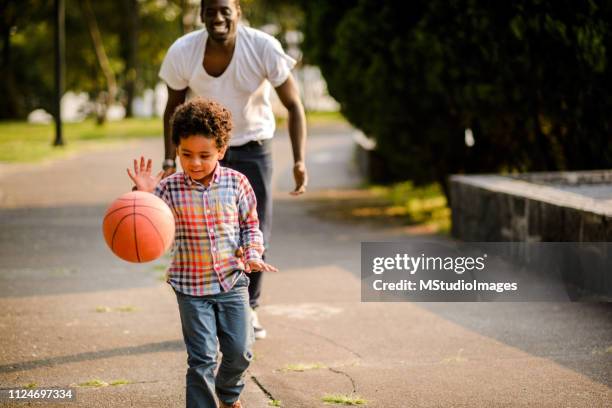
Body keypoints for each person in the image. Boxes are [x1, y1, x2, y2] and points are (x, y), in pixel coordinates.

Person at [158, 0, 307, 339]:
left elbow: (294, 105)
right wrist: (170, 160)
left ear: (238, 11)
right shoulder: (184, 51)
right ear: (201, 15)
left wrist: (299, 160)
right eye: (210, 10)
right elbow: (172, 108)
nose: (218, 17)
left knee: (255, 233)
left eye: (225, 9)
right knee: (207, 233)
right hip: (206, 153)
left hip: (254, 148)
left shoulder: (263, 47)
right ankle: (210, 306)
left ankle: (249, 309)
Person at [128, 98, 277, 408]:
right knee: (202, 358)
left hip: (231, 282)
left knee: (240, 351)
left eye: (204, 155)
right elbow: (145, 221)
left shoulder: (237, 184)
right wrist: (142, 194)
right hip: (190, 287)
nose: (195, 163)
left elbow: (251, 226)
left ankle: (228, 393)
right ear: (177, 150)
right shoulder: (168, 188)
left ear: (221, 151)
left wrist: (252, 253)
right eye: (186, 154)